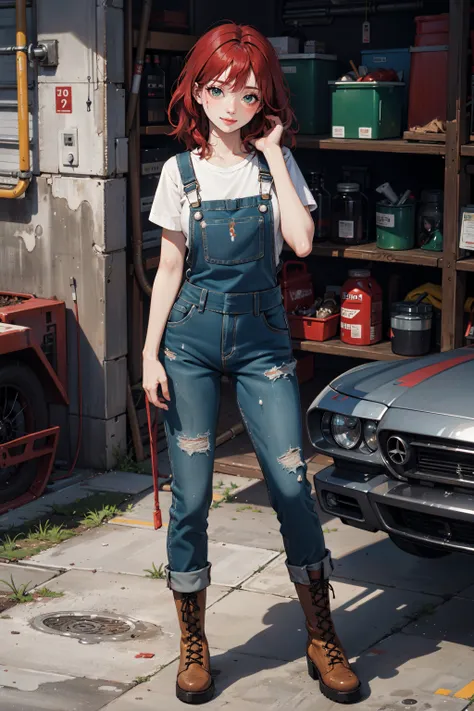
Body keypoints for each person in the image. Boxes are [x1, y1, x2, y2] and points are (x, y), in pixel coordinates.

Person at [143, 21, 361, 706]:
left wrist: (271, 156)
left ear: (263, 94)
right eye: (218, 89)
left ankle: (321, 635)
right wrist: (149, 352)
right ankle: (193, 643)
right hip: (191, 346)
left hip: (264, 341)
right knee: (194, 494)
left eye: (246, 89)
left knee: (294, 485)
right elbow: (170, 268)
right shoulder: (179, 173)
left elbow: (299, 240)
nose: (231, 103)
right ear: (197, 93)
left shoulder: (278, 162)